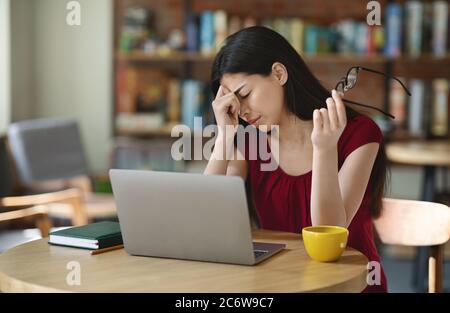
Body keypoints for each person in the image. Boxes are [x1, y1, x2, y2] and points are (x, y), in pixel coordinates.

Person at [204, 26, 389, 293]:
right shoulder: (250, 143)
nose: (241, 111)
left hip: (350, 285)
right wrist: (224, 136)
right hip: (282, 284)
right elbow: (207, 215)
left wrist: (324, 150)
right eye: (233, 102)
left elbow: (329, 233)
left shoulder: (359, 133)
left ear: (279, 73)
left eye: (244, 94)